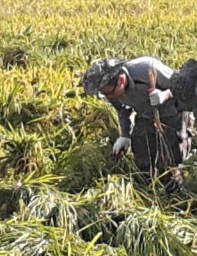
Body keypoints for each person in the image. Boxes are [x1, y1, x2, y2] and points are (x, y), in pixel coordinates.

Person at [81, 57, 188, 186]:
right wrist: (125, 135)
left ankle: (175, 184)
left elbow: (183, 86)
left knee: (171, 155)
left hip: (171, 110)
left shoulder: (147, 68)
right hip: (144, 113)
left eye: (110, 94)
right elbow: (122, 110)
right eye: (106, 95)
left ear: (121, 80)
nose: (110, 98)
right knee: (141, 151)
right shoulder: (110, 90)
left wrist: (165, 95)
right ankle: (146, 184)